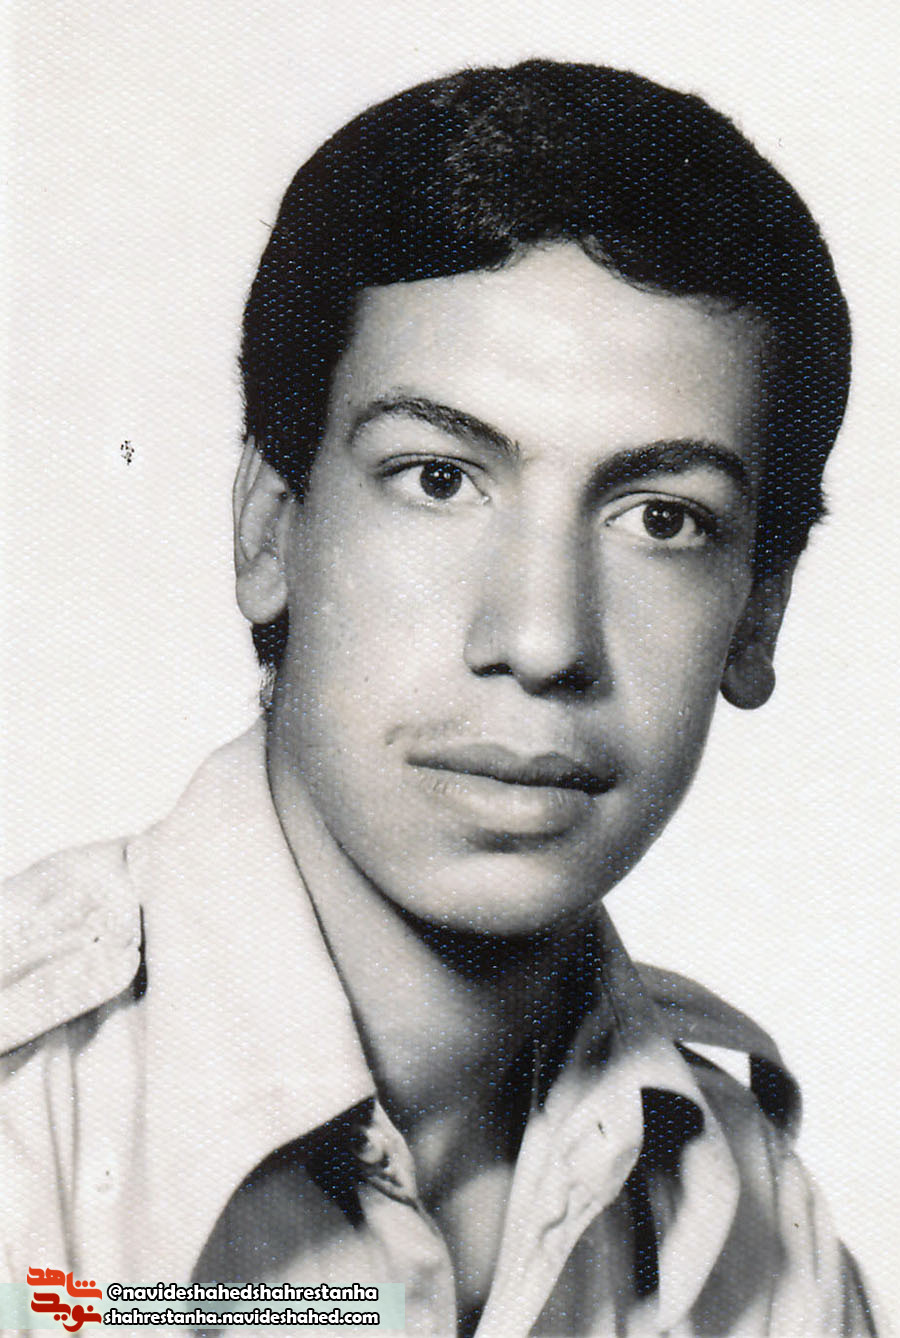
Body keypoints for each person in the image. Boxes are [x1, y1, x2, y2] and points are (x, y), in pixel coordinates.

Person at [2, 59, 881, 1336]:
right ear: (269, 528)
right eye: (437, 478)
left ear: (758, 615)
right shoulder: (26, 1135)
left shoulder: (756, 1232)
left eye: (662, 517)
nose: (540, 639)